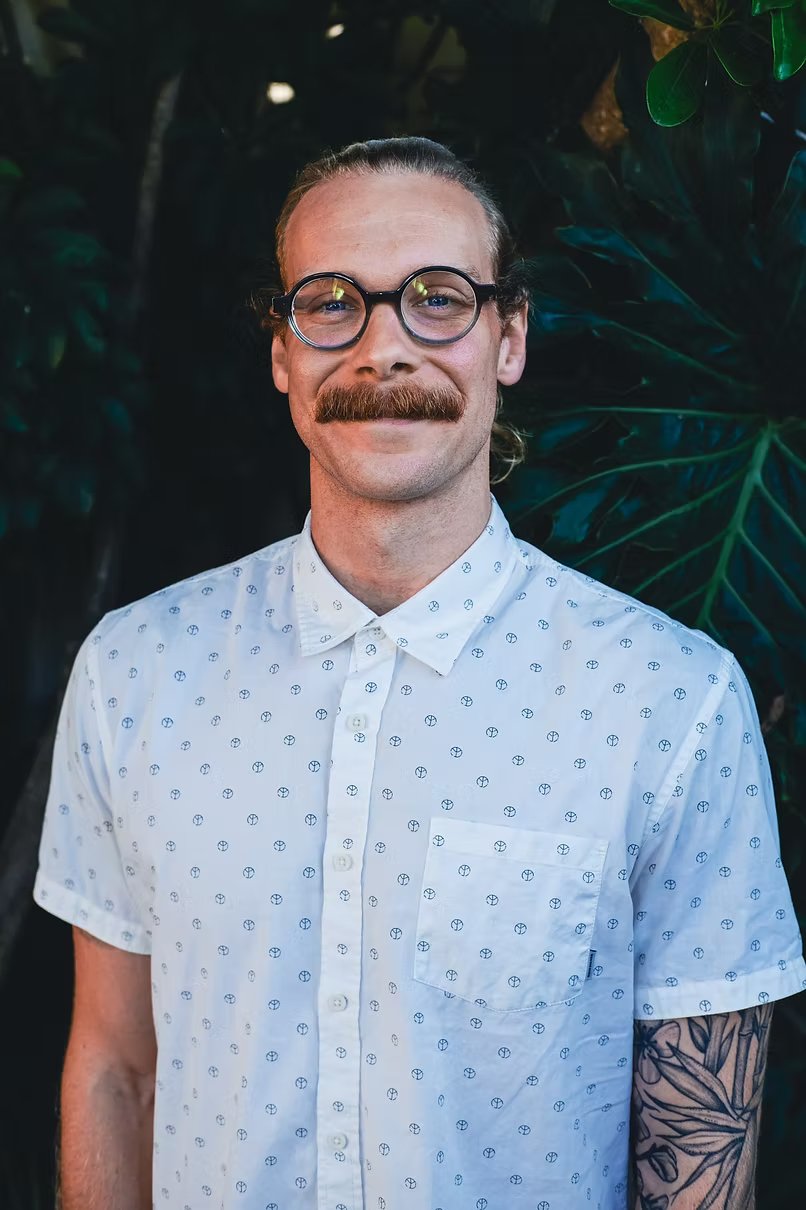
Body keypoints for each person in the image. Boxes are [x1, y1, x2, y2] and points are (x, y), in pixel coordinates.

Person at [35, 137, 804, 1210]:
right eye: (330, 301)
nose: (382, 348)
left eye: (436, 298)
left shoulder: (669, 702)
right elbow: (119, 1067)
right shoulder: (135, 671)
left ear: (508, 338)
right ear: (281, 350)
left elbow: (697, 1144)